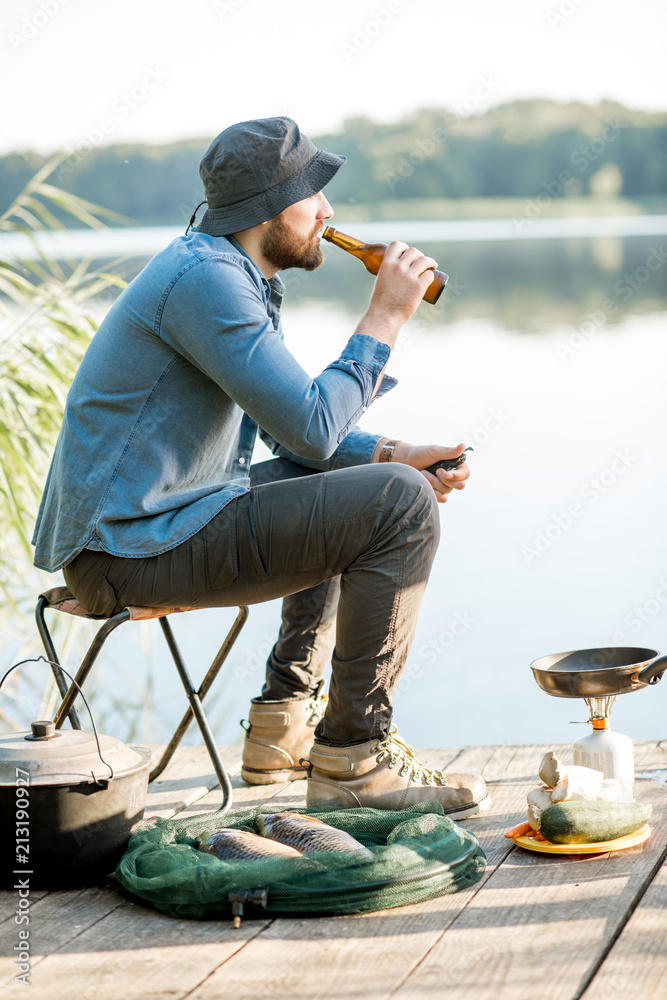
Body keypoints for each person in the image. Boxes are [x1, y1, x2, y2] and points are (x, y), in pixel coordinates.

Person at [32, 117, 489, 817]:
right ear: (272, 207)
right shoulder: (205, 283)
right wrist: (387, 316)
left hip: (153, 532)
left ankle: (282, 723)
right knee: (395, 505)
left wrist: (394, 454)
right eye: (314, 194)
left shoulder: (222, 275)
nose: (328, 212)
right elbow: (309, 423)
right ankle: (355, 760)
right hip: (125, 552)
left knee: (372, 487)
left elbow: (295, 437)